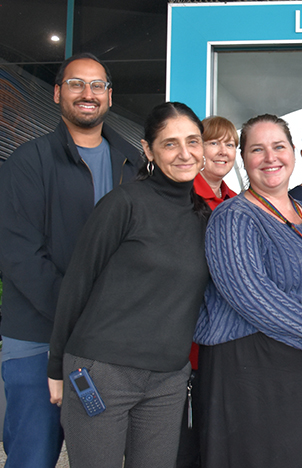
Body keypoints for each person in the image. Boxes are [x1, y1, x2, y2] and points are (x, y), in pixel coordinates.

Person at [194, 114, 302, 468]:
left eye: (278, 147)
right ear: (244, 159)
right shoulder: (232, 217)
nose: (270, 157)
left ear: (293, 153)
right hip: (255, 377)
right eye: (257, 149)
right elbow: (251, 293)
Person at [46, 101, 211, 467]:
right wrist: (56, 367)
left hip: (168, 380)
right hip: (102, 372)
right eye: (170, 144)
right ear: (148, 150)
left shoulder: (204, 218)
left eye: (193, 141)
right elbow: (77, 284)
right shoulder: (124, 204)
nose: (185, 153)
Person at [0, 52, 140, 468]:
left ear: (109, 97)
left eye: (97, 85)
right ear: (59, 92)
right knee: (33, 454)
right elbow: (19, 254)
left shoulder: (132, 165)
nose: (87, 93)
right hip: (37, 340)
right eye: (77, 84)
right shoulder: (27, 162)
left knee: (99, 456)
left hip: (110, 343)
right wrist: (80, 312)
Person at [178, 115, 239, 468]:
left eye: (230, 144)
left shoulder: (236, 201)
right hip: (187, 340)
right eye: (214, 142)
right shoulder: (184, 196)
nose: (223, 151)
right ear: (198, 148)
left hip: (225, 342)